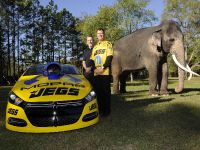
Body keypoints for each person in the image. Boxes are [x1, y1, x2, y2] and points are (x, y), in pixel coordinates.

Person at [90, 28, 113, 117]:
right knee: (98, 93)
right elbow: (92, 60)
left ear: (104, 34)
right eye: (99, 33)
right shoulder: (95, 47)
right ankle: (100, 110)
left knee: (105, 92)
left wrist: (103, 68)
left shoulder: (108, 44)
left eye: (102, 33)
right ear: (97, 35)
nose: (100, 35)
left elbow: (109, 58)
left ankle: (107, 111)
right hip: (96, 73)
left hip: (105, 73)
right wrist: (95, 69)